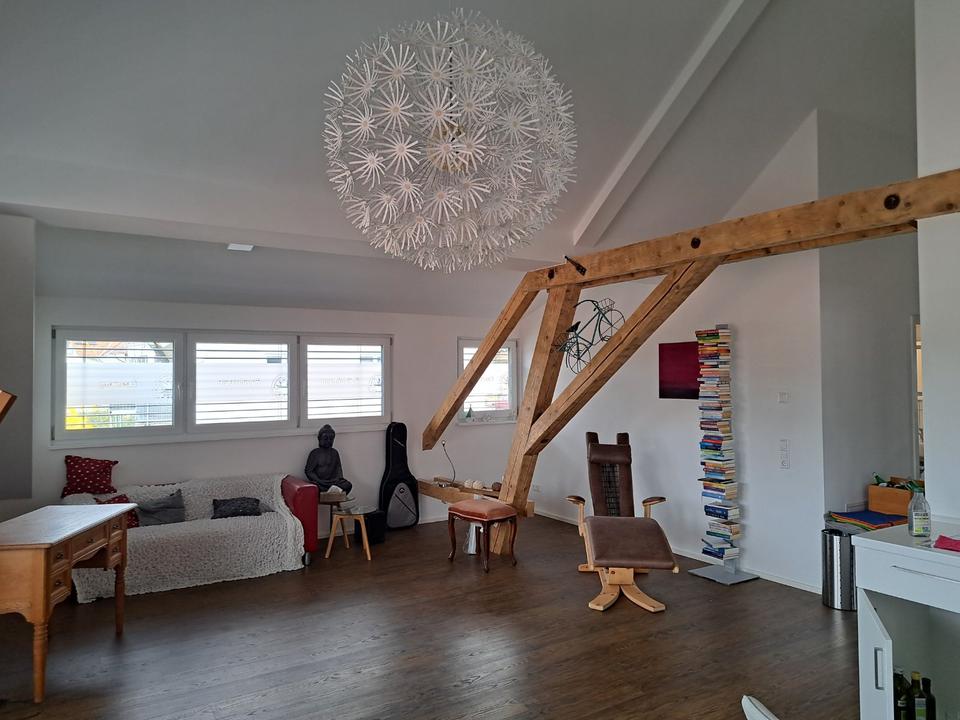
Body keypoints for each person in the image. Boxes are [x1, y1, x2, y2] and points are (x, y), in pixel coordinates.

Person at [304, 424, 353, 494]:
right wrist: (319, 481)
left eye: (331, 439)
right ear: (319, 438)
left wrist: (338, 479)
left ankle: (333, 493)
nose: (328, 441)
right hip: (319, 482)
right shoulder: (315, 453)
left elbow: (338, 468)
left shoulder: (334, 452)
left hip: (332, 481)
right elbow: (309, 471)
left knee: (348, 485)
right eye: (325, 439)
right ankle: (330, 492)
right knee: (314, 488)